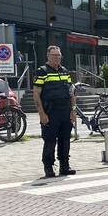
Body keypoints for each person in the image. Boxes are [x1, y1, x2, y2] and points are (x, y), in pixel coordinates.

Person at [34, 45, 77, 178]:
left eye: (59, 55)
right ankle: (48, 167)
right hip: (50, 111)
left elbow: (71, 93)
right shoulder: (42, 72)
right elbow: (36, 94)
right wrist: (42, 113)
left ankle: (64, 166)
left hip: (65, 111)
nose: (57, 58)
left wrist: (73, 111)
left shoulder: (65, 71)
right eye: (54, 55)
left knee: (65, 139)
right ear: (48, 56)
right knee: (50, 140)